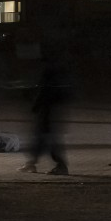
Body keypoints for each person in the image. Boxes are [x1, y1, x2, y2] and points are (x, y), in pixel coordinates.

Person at [19, 42, 72, 175]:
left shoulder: (50, 69)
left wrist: (35, 104)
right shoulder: (58, 67)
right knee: (42, 136)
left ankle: (59, 165)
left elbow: (45, 89)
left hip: (47, 106)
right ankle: (32, 163)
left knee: (45, 136)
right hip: (51, 106)